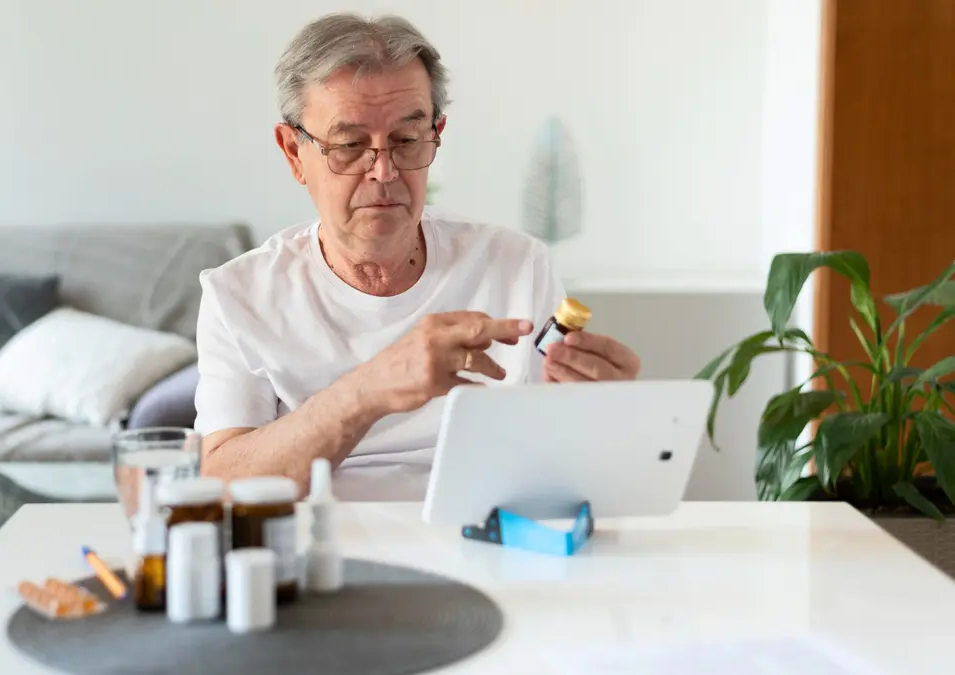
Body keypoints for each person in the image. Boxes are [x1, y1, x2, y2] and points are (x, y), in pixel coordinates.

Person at [194, 13, 641, 500]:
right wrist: (368, 389)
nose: (384, 171)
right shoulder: (238, 295)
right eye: (349, 145)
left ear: (436, 133)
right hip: (320, 552)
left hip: (487, 539)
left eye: (407, 141)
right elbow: (220, 484)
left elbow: (561, 460)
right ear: (293, 153)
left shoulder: (514, 265)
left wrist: (603, 413)